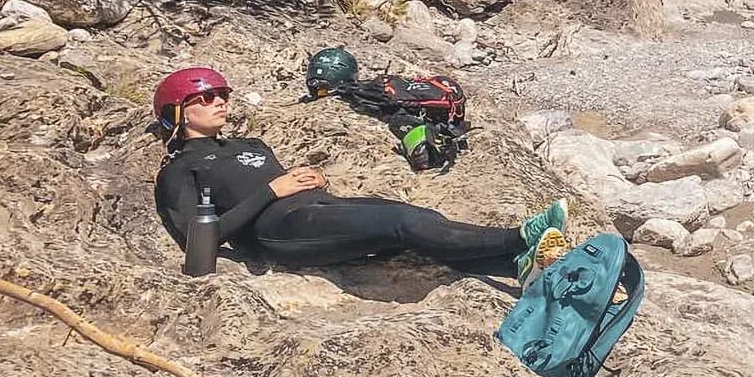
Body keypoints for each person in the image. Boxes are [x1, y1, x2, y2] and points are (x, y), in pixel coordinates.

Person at [150, 66, 569, 284]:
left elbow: (278, 183)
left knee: (417, 220)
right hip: (281, 230)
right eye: (207, 97)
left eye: (223, 94)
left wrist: (309, 180)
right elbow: (198, 240)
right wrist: (271, 191)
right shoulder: (181, 167)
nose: (220, 102)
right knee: (402, 224)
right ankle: (520, 237)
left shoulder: (250, 145)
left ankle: (517, 267)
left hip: (318, 209)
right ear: (178, 112)